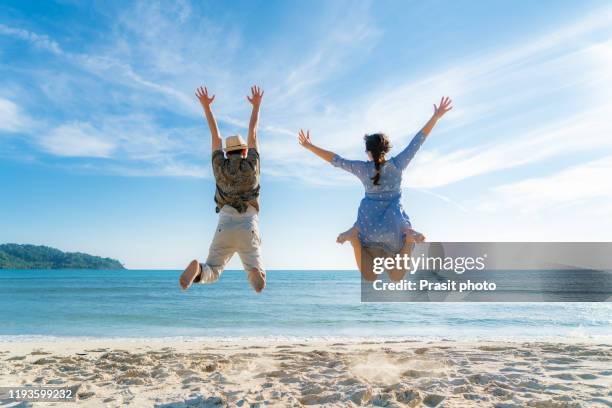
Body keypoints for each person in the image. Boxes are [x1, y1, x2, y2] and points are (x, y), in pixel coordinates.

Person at [297, 97, 453, 281]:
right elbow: (417, 141)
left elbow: (335, 160)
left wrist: (309, 146)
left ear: (369, 152)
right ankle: (408, 236)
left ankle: (354, 238)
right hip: (395, 226)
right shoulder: (398, 164)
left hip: (368, 224)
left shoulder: (362, 169)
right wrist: (435, 117)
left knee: (370, 276)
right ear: (385, 150)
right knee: (396, 276)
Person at [179, 85, 266, 293]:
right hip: (249, 224)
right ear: (245, 150)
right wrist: (256, 106)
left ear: (227, 153)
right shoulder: (252, 166)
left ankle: (199, 269)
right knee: (256, 267)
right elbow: (253, 132)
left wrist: (206, 107)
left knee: (213, 270)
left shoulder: (220, 166)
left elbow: (215, 137)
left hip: (225, 224)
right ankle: (255, 273)